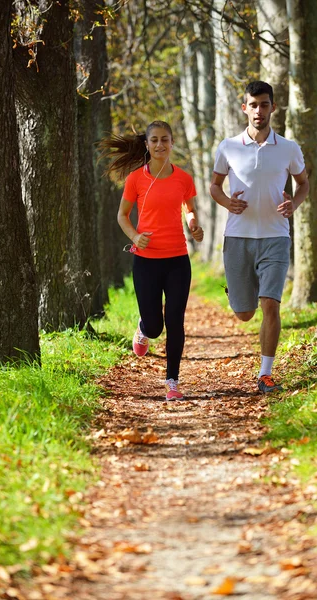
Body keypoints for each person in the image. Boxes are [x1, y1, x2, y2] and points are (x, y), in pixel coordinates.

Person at [210, 81, 309, 394]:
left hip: (275, 237)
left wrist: (294, 202)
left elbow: (303, 183)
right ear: (244, 108)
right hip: (238, 237)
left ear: (273, 108)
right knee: (244, 313)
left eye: (264, 105)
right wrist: (228, 202)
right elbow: (214, 186)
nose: (258, 111)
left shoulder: (290, 148)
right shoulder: (228, 146)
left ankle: (265, 374)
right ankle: (238, 290)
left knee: (270, 305)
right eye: (253, 105)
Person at [100, 120, 204, 401]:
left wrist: (194, 225)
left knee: (175, 321)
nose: (160, 145)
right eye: (154, 140)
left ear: (172, 143)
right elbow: (122, 216)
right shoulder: (136, 179)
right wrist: (134, 237)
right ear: (147, 144)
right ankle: (144, 328)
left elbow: (189, 209)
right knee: (156, 326)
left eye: (165, 140)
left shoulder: (184, 178)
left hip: (178, 260)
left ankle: (172, 382)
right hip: (146, 260)